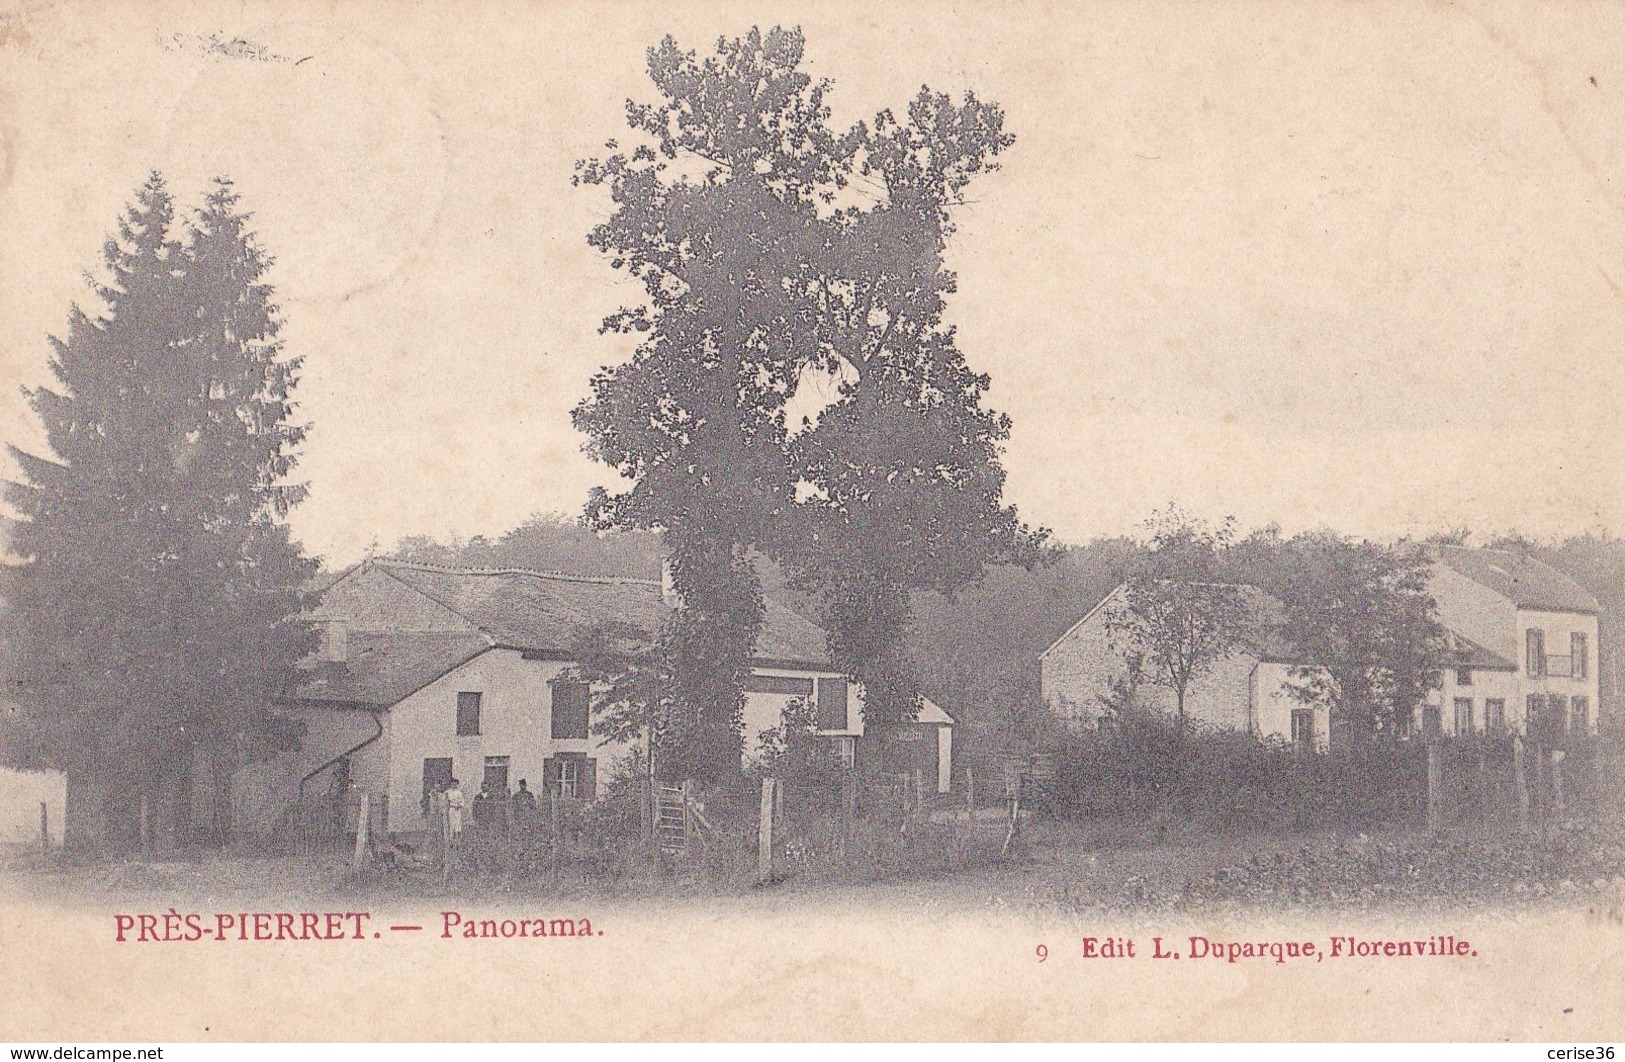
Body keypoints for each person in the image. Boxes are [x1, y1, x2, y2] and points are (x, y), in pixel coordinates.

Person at [443, 777, 465, 847]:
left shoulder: (459, 792)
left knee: (458, 825)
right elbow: (444, 801)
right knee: (451, 825)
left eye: (455, 784)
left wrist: (460, 806)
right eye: (452, 784)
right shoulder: (447, 792)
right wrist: (447, 801)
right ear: (450, 784)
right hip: (451, 809)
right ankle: (451, 841)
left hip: (457, 810)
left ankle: (458, 842)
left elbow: (462, 801)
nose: (453, 785)